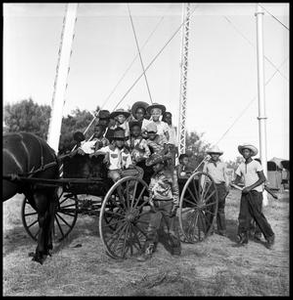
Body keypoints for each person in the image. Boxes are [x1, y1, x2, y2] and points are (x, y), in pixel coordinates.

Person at [137, 153, 181, 262]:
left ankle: (176, 249)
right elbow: (151, 189)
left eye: (156, 165)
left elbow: (175, 191)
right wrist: (151, 201)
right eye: (153, 166)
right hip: (156, 205)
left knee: (171, 231)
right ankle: (147, 252)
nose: (154, 167)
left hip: (168, 204)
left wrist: (175, 206)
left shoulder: (170, 174)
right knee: (151, 229)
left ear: (162, 164)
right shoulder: (154, 176)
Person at [232, 143, 275, 249]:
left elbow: (262, 179)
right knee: (243, 216)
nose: (245, 153)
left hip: (255, 193)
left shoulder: (256, 164)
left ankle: (270, 237)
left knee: (257, 215)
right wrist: (233, 183)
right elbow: (237, 180)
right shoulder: (241, 166)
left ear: (251, 153)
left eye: (247, 152)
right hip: (245, 193)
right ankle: (243, 238)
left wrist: (250, 187)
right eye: (243, 152)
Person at [202, 145, 230, 236]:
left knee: (220, 209)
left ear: (219, 155)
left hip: (220, 187)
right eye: (213, 154)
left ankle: (222, 230)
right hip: (210, 187)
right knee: (209, 208)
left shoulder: (223, 164)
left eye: (216, 154)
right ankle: (208, 229)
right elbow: (203, 175)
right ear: (210, 154)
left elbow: (226, 175)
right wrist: (202, 187)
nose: (215, 155)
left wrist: (227, 186)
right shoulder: (207, 164)